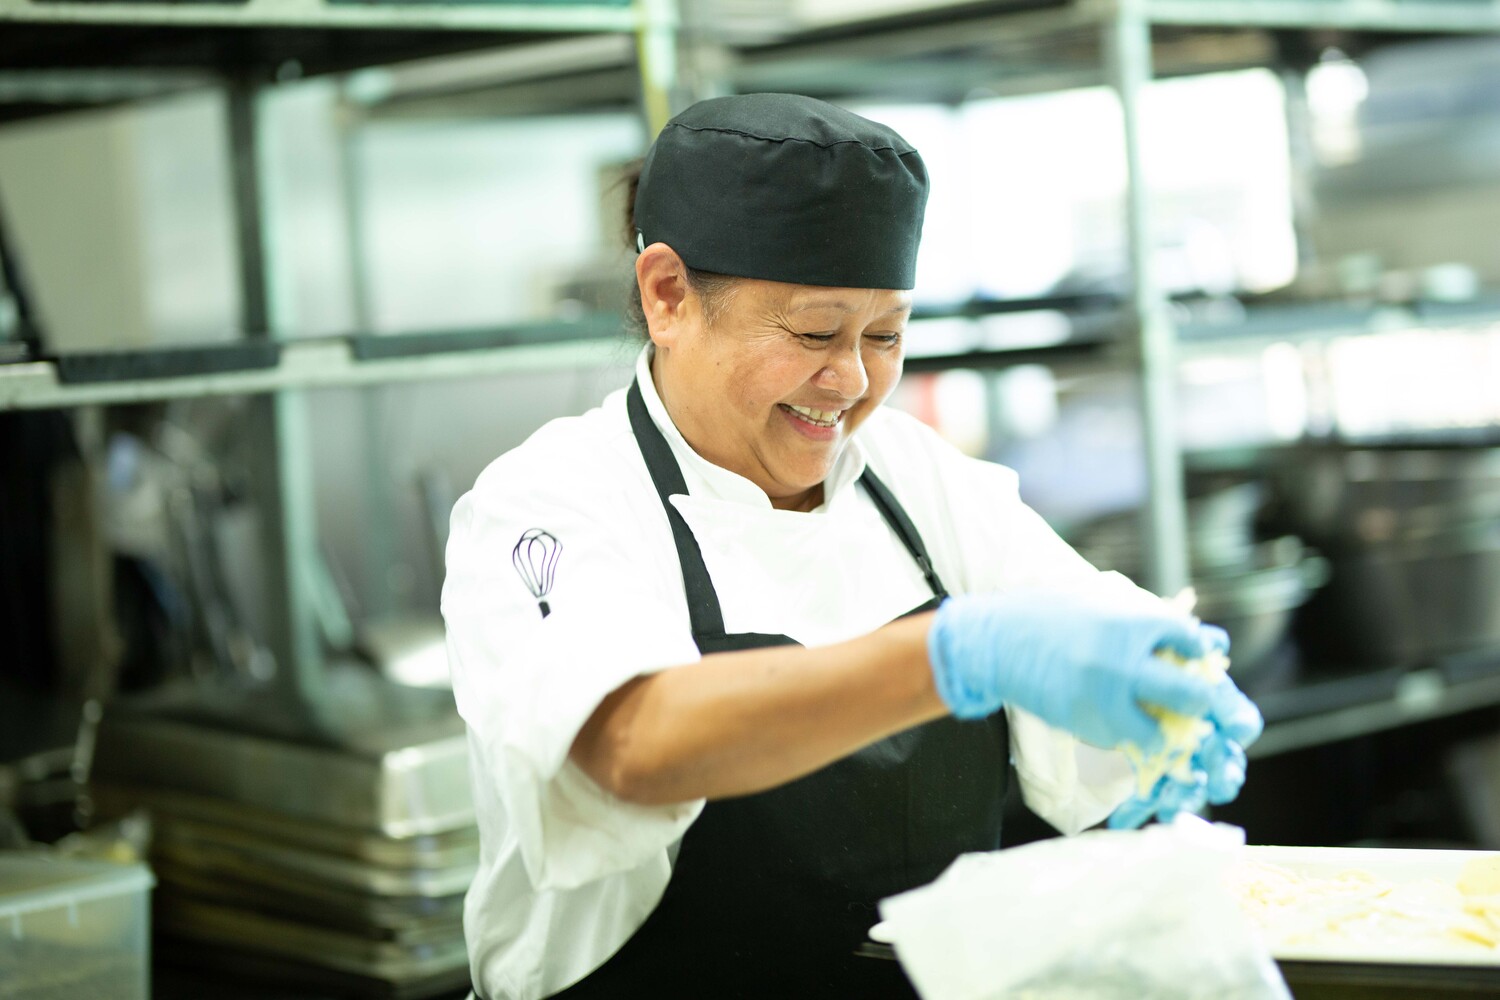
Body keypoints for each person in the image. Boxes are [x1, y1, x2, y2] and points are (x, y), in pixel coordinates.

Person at [442, 93, 1264, 1000]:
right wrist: (956, 653)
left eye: (887, 335)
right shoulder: (550, 501)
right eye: (814, 334)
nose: (853, 381)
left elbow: (1077, 618)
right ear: (668, 295)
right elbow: (633, 743)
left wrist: (1166, 692)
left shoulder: (915, 479)